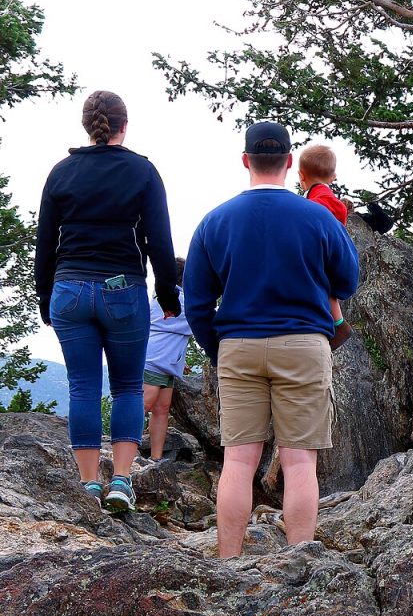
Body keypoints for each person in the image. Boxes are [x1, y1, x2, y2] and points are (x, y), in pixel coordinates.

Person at [184, 121, 360, 558]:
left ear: (246, 161)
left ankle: (228, 561)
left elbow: (197, 303)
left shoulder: (215, 221)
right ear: (287, 162)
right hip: (304, 343)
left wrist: (218, 348)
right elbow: (348, 279)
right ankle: (299, 563)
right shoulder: (318, 216)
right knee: (301, 461)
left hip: (238, 346)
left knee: (239, 461)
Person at [34, 90, 180, 512]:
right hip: (123, 290)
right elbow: (159, 239)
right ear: (124, 126)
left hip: (70, 288)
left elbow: (46, 244)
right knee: (129, 387)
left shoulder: (61, 172)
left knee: (82, 385)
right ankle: (120, 481)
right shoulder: (142, 171)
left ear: (87, 126)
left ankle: (87, 487)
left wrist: (46, 296)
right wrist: (167, 294)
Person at [298, 144, 353, 348]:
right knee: (328, 290)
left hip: (319, 256)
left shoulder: (315, 203)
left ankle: (339, 324)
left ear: (301, 176)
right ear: (333, 176)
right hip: (332, 254)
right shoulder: (333, 201)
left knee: (324, 288)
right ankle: (338, 322)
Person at [143, 257, 191, 461]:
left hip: (166, 362)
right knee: (144, 405)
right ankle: (125, 452)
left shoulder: (161, 297)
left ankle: (155, 457)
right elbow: (196, 321)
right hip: (155, 359)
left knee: (161, 409)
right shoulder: (179, 301)